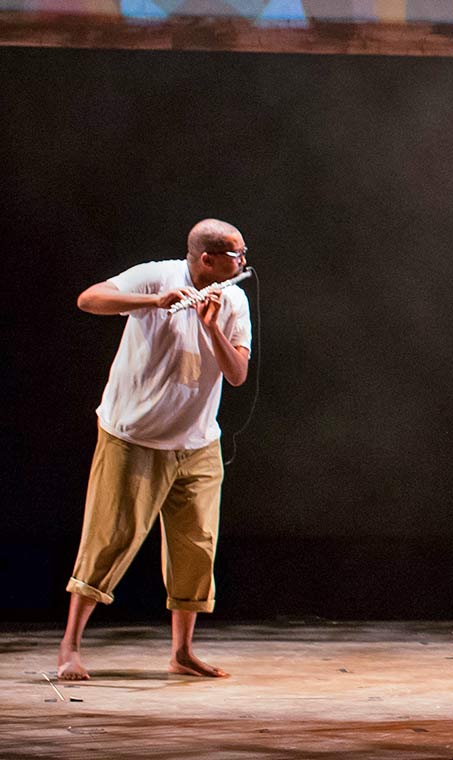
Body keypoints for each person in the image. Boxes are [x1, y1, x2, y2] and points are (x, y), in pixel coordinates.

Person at [58, 218, 253, 681]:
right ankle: (69, 647)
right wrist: (153, 302)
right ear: (207, 258)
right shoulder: (156, 276)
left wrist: (211, 329)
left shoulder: (234, 300)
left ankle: (182, 653)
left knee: (196, 547)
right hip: (134, 436)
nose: (243, 262)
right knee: (108, 539)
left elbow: (237, 374)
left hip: (197, 442)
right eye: (235, 254)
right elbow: (89, 299)